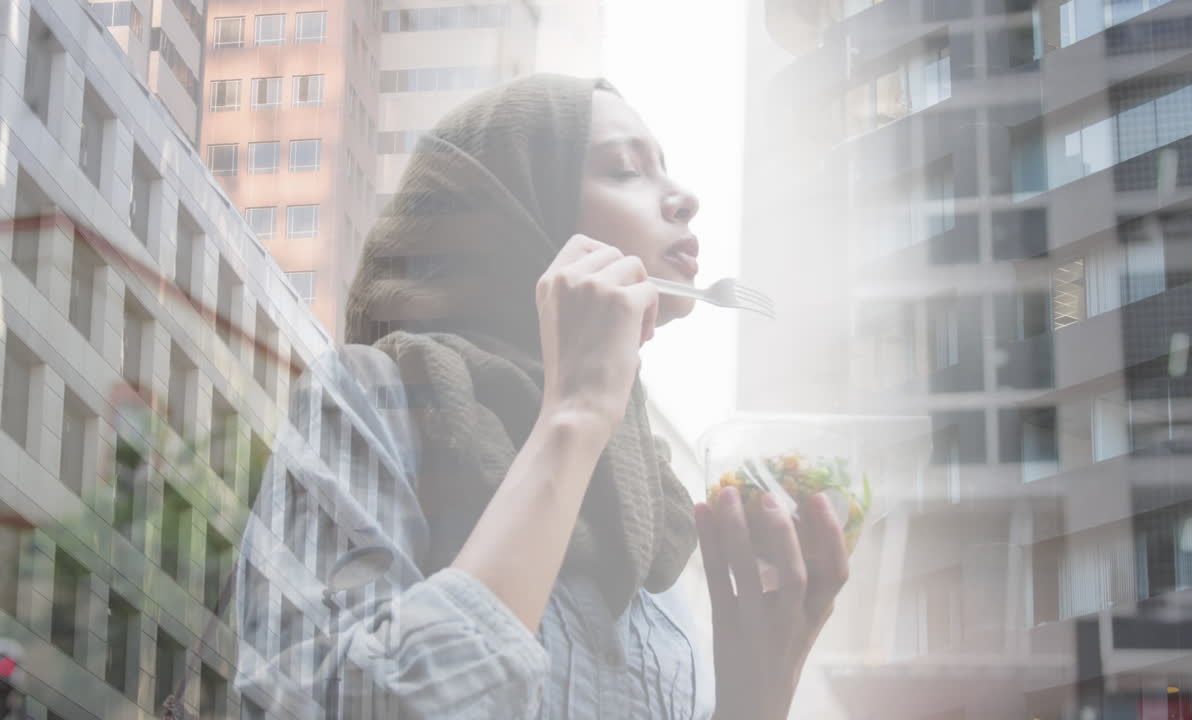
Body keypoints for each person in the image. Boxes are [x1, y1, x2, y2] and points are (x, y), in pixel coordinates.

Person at [235, 74, 848, 719]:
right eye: (623, 170)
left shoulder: (650, 511)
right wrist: (574, 416)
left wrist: (756, 699)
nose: (685, 199)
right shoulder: (373, 398)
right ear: (512, 216)